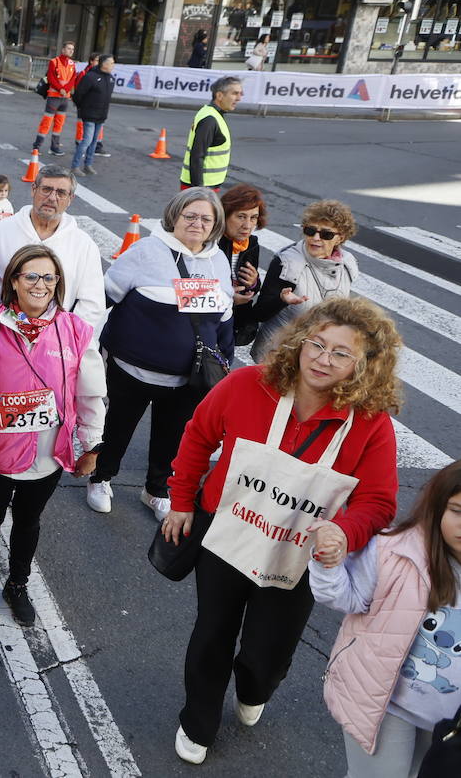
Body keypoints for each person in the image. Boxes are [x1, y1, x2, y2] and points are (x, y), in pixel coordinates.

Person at [162, 297, 402, 765]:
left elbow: (378, 501)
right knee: (212, 632)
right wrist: (180, 501)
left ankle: (255, 688)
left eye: (340, 353)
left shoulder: (371, 423)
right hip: (227, 531)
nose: (321, 359)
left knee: (267, 652)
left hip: (299, 555)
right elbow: (198, 435)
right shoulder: (248, 383)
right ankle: (198, 721)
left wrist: (343, 533)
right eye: (317, 344)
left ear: (364, 366)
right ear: (299, 340)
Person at [0, 244, 105, 625]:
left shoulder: (75, 330)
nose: (40, 284)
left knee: (29, 521)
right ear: (13, 280)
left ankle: (17, 584)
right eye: (31, 276)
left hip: (48, 454)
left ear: (58, 283)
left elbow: (91, 392)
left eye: (49, 277)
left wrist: (91, 446)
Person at [90, 187, 233, 520]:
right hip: (132, 370)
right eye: (190, 215)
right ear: (175, 217)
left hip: (189, 375)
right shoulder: (146, 251)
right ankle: (101, 477)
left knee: (173, 436)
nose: (197, 223)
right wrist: (89, 348)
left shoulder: (218, 261)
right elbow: (105, 296)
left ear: (215, 225)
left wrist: (222, 361)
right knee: (117, 426)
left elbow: (224, 318)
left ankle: (156, 489)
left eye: (206, 218)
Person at [313, 460, 461, 777]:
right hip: (385, 704)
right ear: (437, 507)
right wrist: (327, 561)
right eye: (458, 512)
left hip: (451, 715)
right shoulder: (397, 551)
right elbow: (344, 596)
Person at [0, 166, 104, 328]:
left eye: (61, 193)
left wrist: (67, 336)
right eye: (46, 189)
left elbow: (92, 303)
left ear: (70, 199)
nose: (52, 198)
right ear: (33, 190)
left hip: (54, 342)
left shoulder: (83, 246)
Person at [252, 199, 359, 363]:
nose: (316, 238)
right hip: (279, 356)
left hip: (318, 357)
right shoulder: (287, 262)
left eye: (326, 234)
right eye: (310, 231)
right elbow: (260, 313)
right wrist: (281, 300)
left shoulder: (346, 264)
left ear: (340, 238)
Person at [217, 183, 266, 347]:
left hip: (235, 324)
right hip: (211, 321)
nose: (248, 225)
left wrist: (253, 282)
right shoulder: (212, 243)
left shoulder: (251, 243)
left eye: (253, 217)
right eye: (241, 216)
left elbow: (251, 288)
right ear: (225, 215)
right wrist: (229, 299)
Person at [183, 76, 241, 190]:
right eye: (235, 93)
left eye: (240, 93)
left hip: (206, 185)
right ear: (219, 96)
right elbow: (197, 156)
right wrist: (199, 191)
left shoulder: (211, 113)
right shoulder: (210, 119)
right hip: (201, 187)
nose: (239, 98)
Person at [70, 54, 115, 176]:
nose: (113, 65)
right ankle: (75, 166)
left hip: (101, 116)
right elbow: (78, 94)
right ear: (103, 64)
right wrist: (82, 107)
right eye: (111, 63)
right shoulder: (90, 77)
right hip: (89, 114)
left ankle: (88, 165)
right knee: (87, 141)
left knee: (94, 142)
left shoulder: (110, 79)